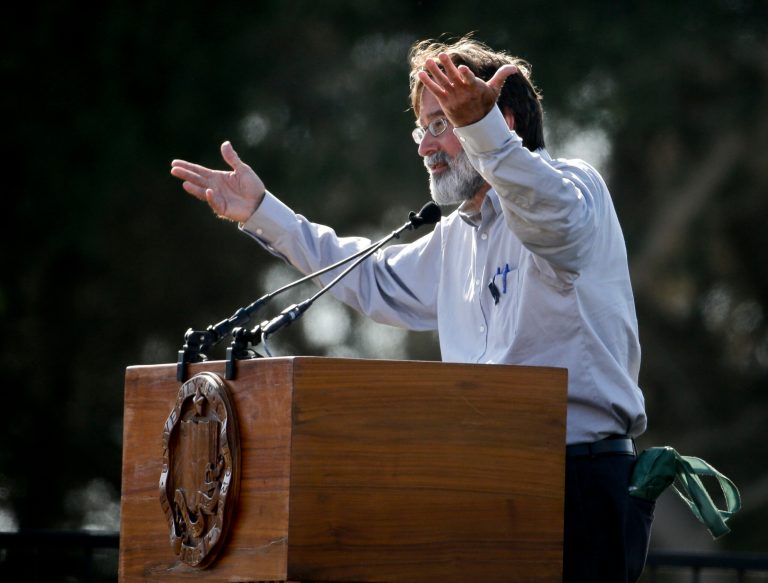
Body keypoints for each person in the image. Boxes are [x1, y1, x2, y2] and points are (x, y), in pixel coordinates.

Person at [171, 35, 653, 582]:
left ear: (504, 121)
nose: (425, 145)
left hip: (580, 485)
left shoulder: (573, 188)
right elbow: (367, 279)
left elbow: (553, 221)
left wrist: (481, 131)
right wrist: (262, 212)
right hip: (482, 486)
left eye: (441, 123)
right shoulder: (455, 237)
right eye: (421, 129)